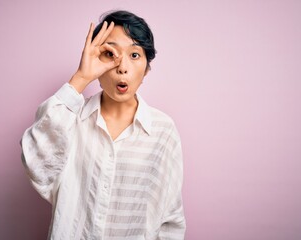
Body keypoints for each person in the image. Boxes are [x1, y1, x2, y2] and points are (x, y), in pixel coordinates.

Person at [21, 10, 186, 239]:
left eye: (135, 55)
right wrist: (81, 77)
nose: (122, 67)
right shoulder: (71, 119)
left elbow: (170, 218)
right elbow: (36, 164)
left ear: (147, 68)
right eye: (110, 53)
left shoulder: (162, 131)